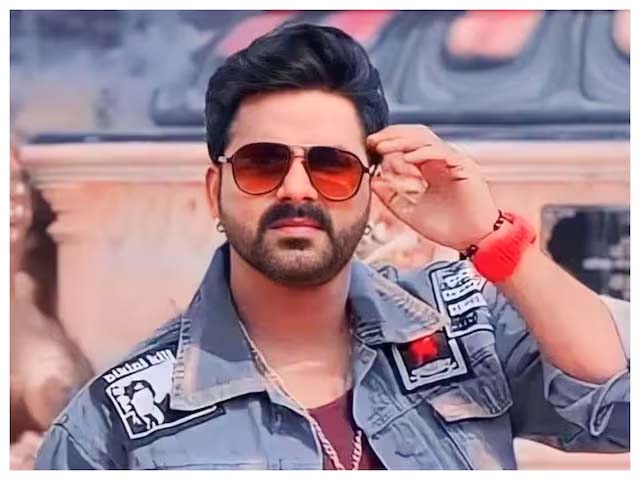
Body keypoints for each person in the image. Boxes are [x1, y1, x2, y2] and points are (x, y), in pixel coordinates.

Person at [35, 23, 629, 470]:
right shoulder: (116, 423)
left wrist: (494, 240)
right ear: (215, 191)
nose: (297, 188)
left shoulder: (462, 326)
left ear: (372, 188)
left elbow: (617, 407)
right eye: (262, 163)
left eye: (331, 165)